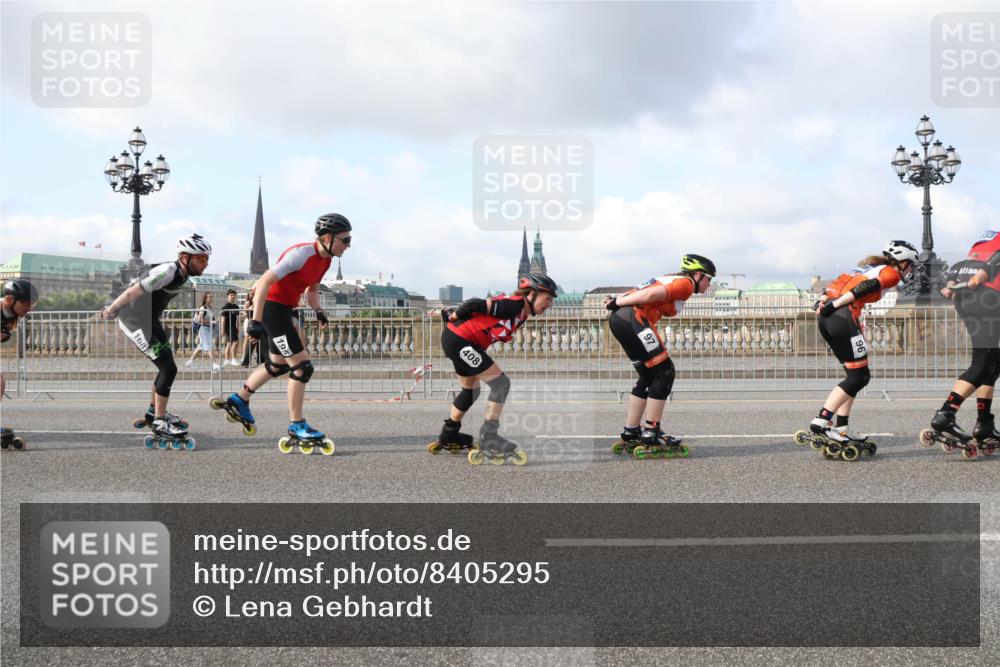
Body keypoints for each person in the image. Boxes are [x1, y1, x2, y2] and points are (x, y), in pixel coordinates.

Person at [213, 213, 346, 453]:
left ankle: (239, 399)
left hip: (283, 309)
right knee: (302, 367)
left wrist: (318, 310)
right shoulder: (301, 254)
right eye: (344, 240)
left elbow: (312, 290)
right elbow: (263, 282)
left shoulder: (325, 260)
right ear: (327, 237)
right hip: (270, 308)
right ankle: (296, 425)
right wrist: (255, 320)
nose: (347, 246)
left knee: (277, 365)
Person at [800, 240, 916, 460]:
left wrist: (824, 301)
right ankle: (822, 421)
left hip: (829, 320)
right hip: (844, 318)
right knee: (861, 376)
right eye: (911, 265)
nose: (911, 270)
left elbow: (834, 284)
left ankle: (841, 428)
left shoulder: (866, 268)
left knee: (854, 376)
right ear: (903, 262)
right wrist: (836, 304)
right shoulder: (890, 273)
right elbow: (866, 288)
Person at [431, 271, 558, 465]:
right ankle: (489, 435)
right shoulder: (513, 305)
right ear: (531, 294)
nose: (549, 304)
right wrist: (452, 315)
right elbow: (474, 303)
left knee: (471, 390)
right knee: (501, 383)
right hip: (460, 340)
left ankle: (449, 433)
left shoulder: (522, 313)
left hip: (459, 340)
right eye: (547, 298)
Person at [99, 234, 212, 449]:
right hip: (133, 320)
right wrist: (110, 310)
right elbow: (133, 291)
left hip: (148, 320)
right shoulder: (168, 271)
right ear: (185, 257)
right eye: (202, 259)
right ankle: (160, 421)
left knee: (168, 368)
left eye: (206, 259)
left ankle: (154, 413)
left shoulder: (182, 273)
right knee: (167, 368)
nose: (205, 264)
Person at [605, 255, 715, 459]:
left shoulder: (672, 279)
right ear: (698, 275)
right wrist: (617, 301)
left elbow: (646, 292)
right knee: (665, 372)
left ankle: (631, 431)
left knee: (648, 377)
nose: (710, 284)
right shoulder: (686, 284)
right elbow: (650, 295)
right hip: (633, 318)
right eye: (709, 278)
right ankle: (651, 432)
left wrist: (617, 301)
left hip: (621, 319)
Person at [922, 229, 1000, 459]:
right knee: (982, 363)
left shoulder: (983, 238)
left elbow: (961, 267)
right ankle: (946, 414)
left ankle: (984, 423)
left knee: (991, 363)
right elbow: (995, 260)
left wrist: (952, 283)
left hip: (966, 298)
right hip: (988, 297)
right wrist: (980, 278)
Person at [1, 278, 38, 450]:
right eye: (25, 303)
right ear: (10, 300)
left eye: (31, 304)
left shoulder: (14, 315)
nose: (29, 308)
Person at [186, 292, 219, 370]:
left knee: (200, 346)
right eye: (210, 297)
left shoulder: (209, 307)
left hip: (207, 328)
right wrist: (211, 322)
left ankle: (190, 361)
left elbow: (208, 318)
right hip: (203, 329)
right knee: (209, 346)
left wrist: (214, 321)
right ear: (205, 298)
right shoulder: (203, 308)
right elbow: (199, 320)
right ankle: (214, 364)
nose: (211, 298)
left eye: (212, 297)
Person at [219, 289, 241, 366]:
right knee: (235, 342)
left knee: (229, 343)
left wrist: (237, 326)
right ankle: (233, 359)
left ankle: (227, 359)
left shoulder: (236, 306)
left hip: (234, 327)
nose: (232, 296)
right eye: (231, 295)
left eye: (234, 295)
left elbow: (237, 318)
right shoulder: (226, 307)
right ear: (228, 296)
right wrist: (222, 329)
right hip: (228, 327)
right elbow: (223, 319)